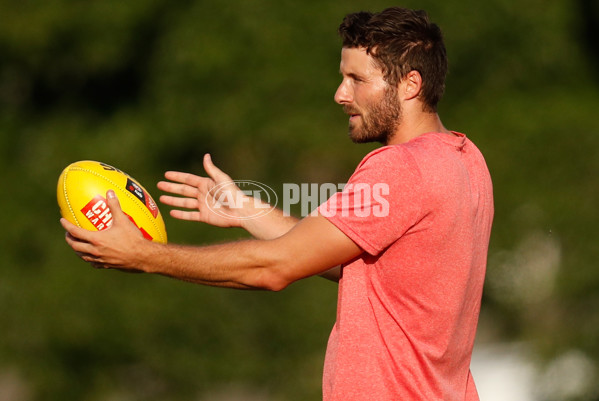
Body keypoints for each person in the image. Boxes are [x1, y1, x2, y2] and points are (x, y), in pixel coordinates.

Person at [61, 7, 493, 401]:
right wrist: (249, 210)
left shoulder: (399, 169)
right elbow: (345, 261)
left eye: (357, 80)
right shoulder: (464, 160)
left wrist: (143, 256)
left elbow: (274, 268)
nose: (341, 95)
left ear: (410, 84)